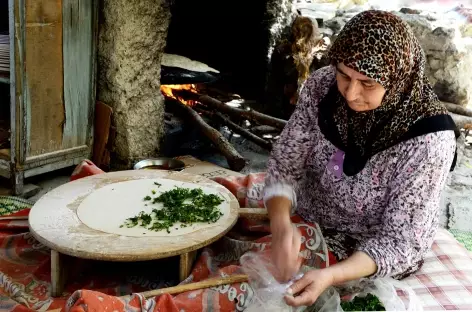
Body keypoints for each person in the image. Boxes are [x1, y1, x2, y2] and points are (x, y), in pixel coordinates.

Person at [264, 10, 459, 307]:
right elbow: (286, 162)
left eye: (368, 83)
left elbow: (400, 242)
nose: (351, 93)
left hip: (368, 245)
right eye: (344, 74)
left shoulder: (429, 140)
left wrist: (330, 276)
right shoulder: (323, 87)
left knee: (270, 289)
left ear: (397, 80)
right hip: (311, 212)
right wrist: (280, 224)